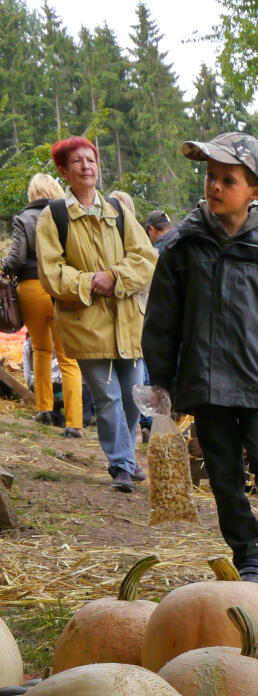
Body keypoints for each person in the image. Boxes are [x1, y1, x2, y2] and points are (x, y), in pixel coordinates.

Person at [142, 133, 258, 582]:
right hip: (204, 383)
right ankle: (247, 552)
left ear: (255, 192)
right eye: (210, 176)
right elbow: (162, 320)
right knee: (222, 472)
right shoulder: (182, 246)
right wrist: (161, 380)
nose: (214, 186)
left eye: (227, 179)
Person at [35, 137, 156, 489]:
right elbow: (50, 271)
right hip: (85, 323)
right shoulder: (54, 216)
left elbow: (147, 258)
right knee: (107, 396)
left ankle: (127, 457)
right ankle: (120, 464)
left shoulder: (117, 211)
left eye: (91, 159)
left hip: (128, 321)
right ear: (63, 170)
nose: (86, 166)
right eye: (77, 161)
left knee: (134, 395)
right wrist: (90, 282)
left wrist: (115, 277)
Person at [1, 171, 84, 437]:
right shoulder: (66, 216)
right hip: (60, 288)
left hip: (31, 289)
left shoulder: (23, 218)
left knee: (40, 349)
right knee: (68, 357)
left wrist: (5, 270)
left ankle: (44, 409)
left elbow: (16, 257)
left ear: (32, 192)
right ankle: (74, 423)